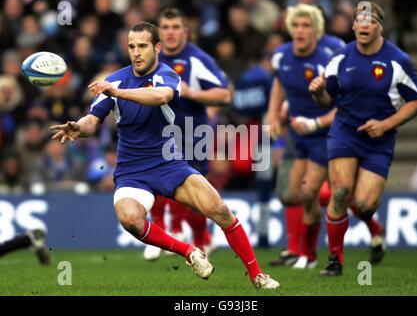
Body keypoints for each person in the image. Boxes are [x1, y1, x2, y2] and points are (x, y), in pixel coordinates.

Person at [50, 22, 279, 289]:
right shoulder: (115, 80)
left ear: (157, 47)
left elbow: (159, 97)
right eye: (132, 46)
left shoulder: (167, 75)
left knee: (220, 210)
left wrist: (117, 92)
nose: (136, 52)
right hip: (131, 170)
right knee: (130, 220)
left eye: (143, 46)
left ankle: (257, 274)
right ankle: (189, 252)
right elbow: (92, 120)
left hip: (169, 163)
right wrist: (79, 127)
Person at [309, 1, 417, 276]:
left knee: (363, 204)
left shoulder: (398, 60)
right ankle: (335, 260)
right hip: (345, 131)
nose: (364, 25)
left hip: (379, 140)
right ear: (352, 26)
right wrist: (317, 92)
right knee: (339, 192)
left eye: (370, 20)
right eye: (359, 20)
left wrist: (385, 125)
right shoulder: (340, 58)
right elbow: (328, 98)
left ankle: (375, 226)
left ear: (379, 26)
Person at [143, 8, 232, 261]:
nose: (170, 33)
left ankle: (201, 237)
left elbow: (224, 95)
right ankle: (162, 230)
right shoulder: (150, 57)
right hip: (159, 133)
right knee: (155, 180)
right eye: (166, 27)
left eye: (175, 27)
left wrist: (191, 92)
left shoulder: (196, 59)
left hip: (193, 133)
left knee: (193, 196)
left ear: (186, 31)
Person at [267, 4, 336, 269]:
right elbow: (279, 84)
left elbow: (339, 102)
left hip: (325, 133)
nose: (300, 30)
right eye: (296, 25)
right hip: (298, 133)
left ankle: (308, 255)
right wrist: (273, 114)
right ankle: (301, 250)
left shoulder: (329, 58)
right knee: (287, 194)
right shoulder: (281, 56)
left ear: (316, 31)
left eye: (306, 26)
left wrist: (316, 118)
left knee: (308, 194)